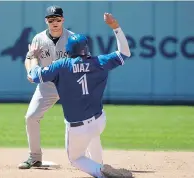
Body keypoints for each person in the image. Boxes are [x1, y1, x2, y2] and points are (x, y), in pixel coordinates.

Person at [28, 13, 133, 178]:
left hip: (77, 127)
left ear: (68, 49)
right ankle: (101, 166)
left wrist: (33, 57)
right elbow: (125, 53)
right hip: (99, 120)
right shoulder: (99, 62)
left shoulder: (62, 65)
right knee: (93, 135)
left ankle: (100, 172)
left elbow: (35, 76)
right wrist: (116, 28)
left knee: (75, 158)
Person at [18, 5, 74, 169]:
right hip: (46, 86)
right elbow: (29, 58)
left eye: (57, 19)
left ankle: (87, 157)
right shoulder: (39, 38)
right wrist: (29, 71)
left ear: (63, 20)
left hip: (69, 85)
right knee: (31, 117)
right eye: (51, 20)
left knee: (81, 120)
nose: (54, 22)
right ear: (46, 21)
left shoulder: (72, 39)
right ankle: (35, 157)